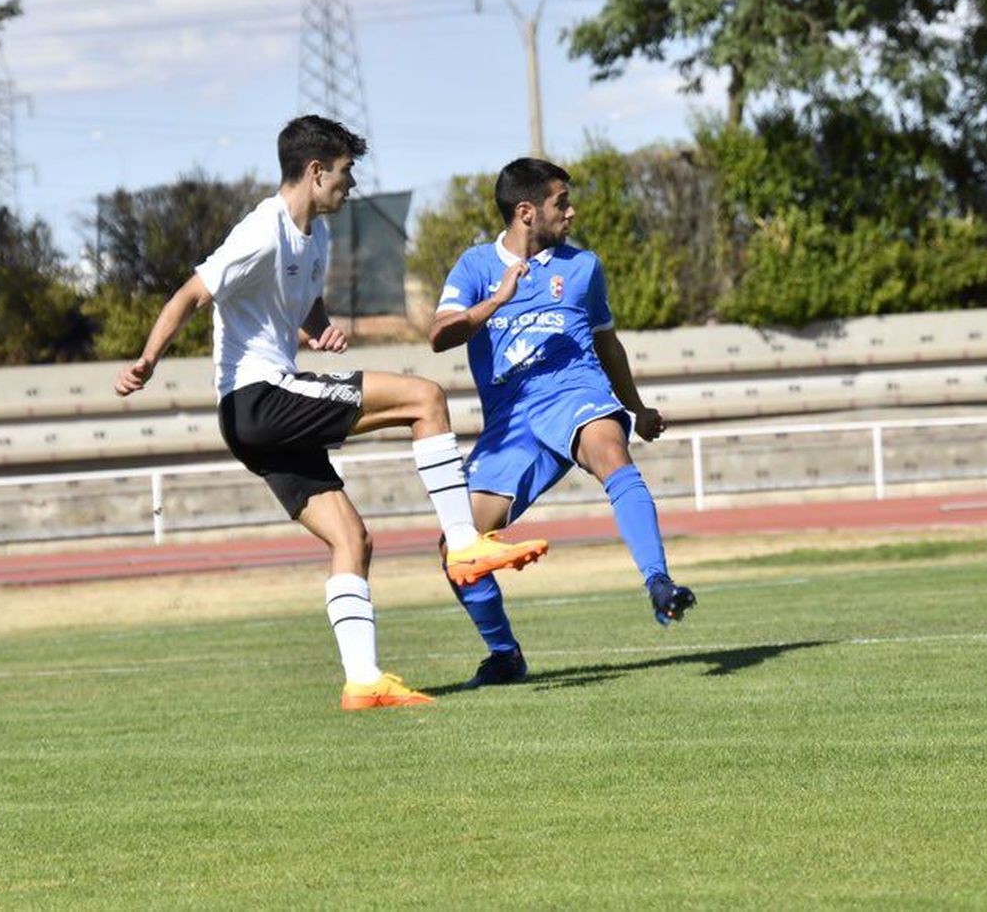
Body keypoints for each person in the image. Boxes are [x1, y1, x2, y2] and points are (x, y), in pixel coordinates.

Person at [115, 116, 548, 710]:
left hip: (258, 418)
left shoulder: (315, 237)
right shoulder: (262, 230)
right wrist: (147, 361)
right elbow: (191, 294)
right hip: (259, 399)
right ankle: (464, 543)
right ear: (316, 172)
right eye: (345, 172)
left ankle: (363, 682)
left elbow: (299, 303)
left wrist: (319, 329)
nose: (351, 185)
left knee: (352, 539)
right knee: (425, 398)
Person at [429, 157, 697, 688]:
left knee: (611, 454)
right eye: (561, 203)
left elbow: (607, 344)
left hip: (575, 394)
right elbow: (439, 335)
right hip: (509, 423)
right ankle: (504, 655)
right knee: (456, 548)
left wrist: (636, 408)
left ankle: (659, 582)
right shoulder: (476, 267)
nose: (571, 212)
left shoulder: (582, 267)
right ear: (526, 211)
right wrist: (497, 301)